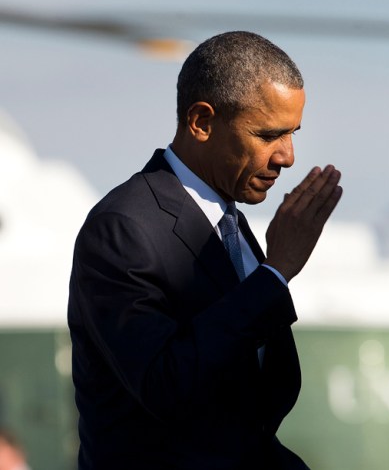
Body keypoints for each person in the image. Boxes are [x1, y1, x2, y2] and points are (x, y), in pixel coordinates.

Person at [68, 31, 343, 469]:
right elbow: (167, 388)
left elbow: (249, 419)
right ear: (201, 122)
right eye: (268, 135)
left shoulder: (228, 223)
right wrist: (274, 273)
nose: (287, 157)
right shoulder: (123, 228)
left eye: (292, 133)